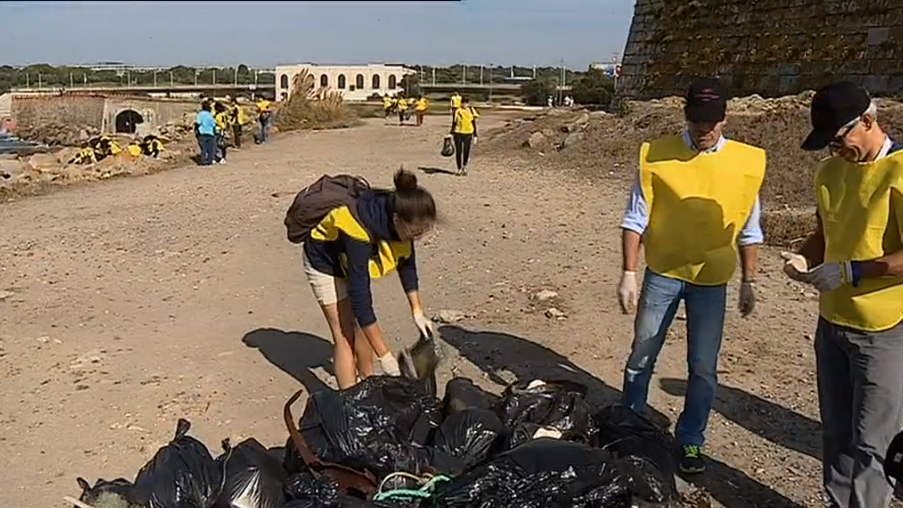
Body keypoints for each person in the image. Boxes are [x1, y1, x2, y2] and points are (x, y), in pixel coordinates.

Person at [617, 77, 766, 474]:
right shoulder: (656, 155)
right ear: (685, 115)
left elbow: (750, 228)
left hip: (712, 279)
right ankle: (630, 424)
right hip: (663, 272)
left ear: (725, 118)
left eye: (712, 121)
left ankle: (690, 440)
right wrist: (629, 271)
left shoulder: (747, 164)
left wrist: (749, 280)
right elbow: (635, 217)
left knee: (703, 366)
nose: (704, 129)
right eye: (697, 119)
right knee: (641, 353)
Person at [781, 82, 903, 508]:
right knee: (836, 431)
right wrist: (804, 257)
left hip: (883, 329)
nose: (835, 151)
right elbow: (825, 231)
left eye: (838, 140)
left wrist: (853, 271)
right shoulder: (830, 172)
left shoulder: (899, 172)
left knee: (874, 441)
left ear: (867, 121)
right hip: (831, 323)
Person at [302, 169, 438, 389]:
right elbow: (361, 299)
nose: (419, 236)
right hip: (324, 261)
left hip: (350, 260)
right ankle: (351, 399)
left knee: (361, 326)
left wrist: (417, 312)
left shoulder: (402, 214)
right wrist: (385, 356)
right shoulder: (358, 228)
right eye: (416, 232)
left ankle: (367, 381)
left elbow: (407, 265)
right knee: (344, 333)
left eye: (425, 230)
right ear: (396, 220)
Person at [449, 96, 479, 176]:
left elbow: (473, 123)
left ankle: (464, 167)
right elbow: (454, 123)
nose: (465, 104)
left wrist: (475, 135)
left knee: (466, 151)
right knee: (458, 151)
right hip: (458, 133)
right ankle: (459, 169)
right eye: (463, 103)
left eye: (466, 103)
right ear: (461, 103)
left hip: (468, 133)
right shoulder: (457, 111)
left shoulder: (471, 110)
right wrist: (451, 133)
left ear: (468, 103)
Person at [195, 101, 217, 166]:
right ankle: (210, 160)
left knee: (203, 148)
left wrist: (196, 130)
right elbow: (213, 125)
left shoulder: (200, 114)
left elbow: (198, 123)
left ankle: (203, 161)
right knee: (210, 148)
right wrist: (214, 133)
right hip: (210, 133)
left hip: (202, 133)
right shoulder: (210, 115)